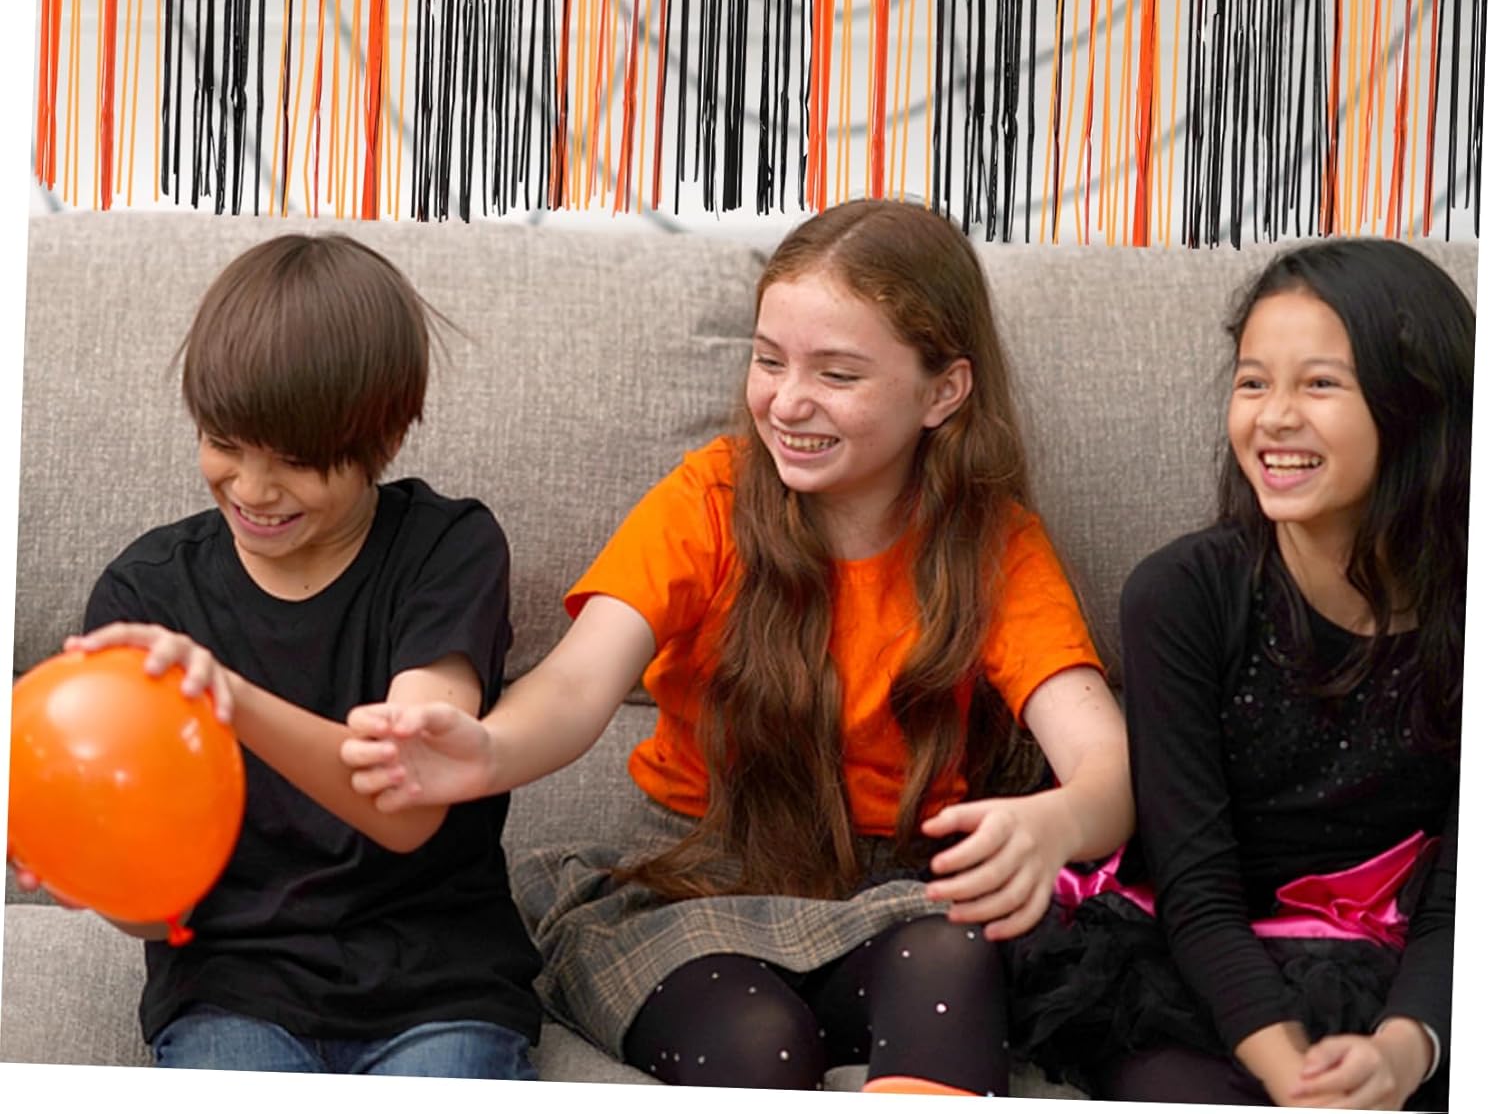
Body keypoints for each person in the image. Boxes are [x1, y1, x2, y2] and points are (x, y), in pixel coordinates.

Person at [340, 197, 1132, 1096]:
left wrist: (1056, 821)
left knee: (952, 957)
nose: (787, 402)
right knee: (758, 1040)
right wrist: (487, 749)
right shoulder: (709, 501)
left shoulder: (994, 547)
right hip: (692, 883)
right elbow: (575, 686)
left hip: (903, 898)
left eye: (838, 373)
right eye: (769, 360)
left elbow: (1105, 768)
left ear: (943, 392)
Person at [23, 233, 541, 1078]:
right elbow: (161, 912)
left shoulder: (449, 550)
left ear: (386, 437)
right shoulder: (147, 593)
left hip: (438, 988)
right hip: (232, 991)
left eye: (296, 462)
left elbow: (406, 801)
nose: (253, 490)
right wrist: (92, 871)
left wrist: (227, 696)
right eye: (224, 442)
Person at [1016, 238, 1468, 1109]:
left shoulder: (1471, 610)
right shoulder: (1181, 594)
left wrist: (1406, 1050)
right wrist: (1284, 1066)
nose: (1274, 417)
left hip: (1404, 961)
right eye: (1254, 382)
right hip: (1193, 953)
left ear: (1417, 404)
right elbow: (1196, 886)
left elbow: (1466, 887)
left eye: (1321, 384)